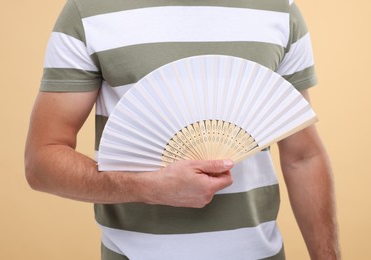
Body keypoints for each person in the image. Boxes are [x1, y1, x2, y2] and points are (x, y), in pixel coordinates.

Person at [25, 0, 340, 259]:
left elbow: (303, 156)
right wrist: (148, 188)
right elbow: (43, 160)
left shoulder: (279, 11)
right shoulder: (88, 11)